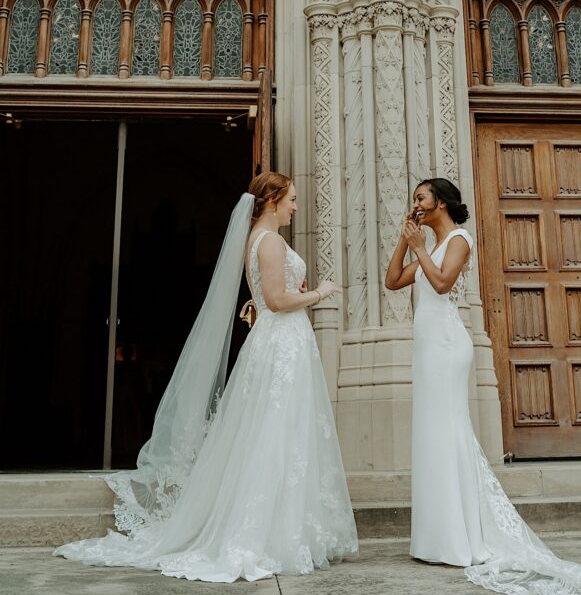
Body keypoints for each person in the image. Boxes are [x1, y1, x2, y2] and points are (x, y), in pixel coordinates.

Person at [55, 172, 358, 583]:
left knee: (280, 432)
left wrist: (294, 290)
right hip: (281, 343)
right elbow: (276, 300)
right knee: (275, 432)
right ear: (271, 201)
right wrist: (319, 293)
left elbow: (269, 296)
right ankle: (268, 533)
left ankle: (286, 528)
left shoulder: (258, 240)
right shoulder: (269, 241)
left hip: (280, 342)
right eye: (292, 199)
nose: (295, 207)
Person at [385, 177, 581, 595]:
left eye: (420, 197)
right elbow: (393, 280)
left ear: (442, 202)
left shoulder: (458, 239)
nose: (415, 203)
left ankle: (460, 537)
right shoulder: (428, 245)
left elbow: (442, 283)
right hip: (427, 347)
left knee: (448, 431)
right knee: (431, 435)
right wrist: (404, 240)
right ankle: (438, 536)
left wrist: (418, 248)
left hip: (448, 346)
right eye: (413, 199)